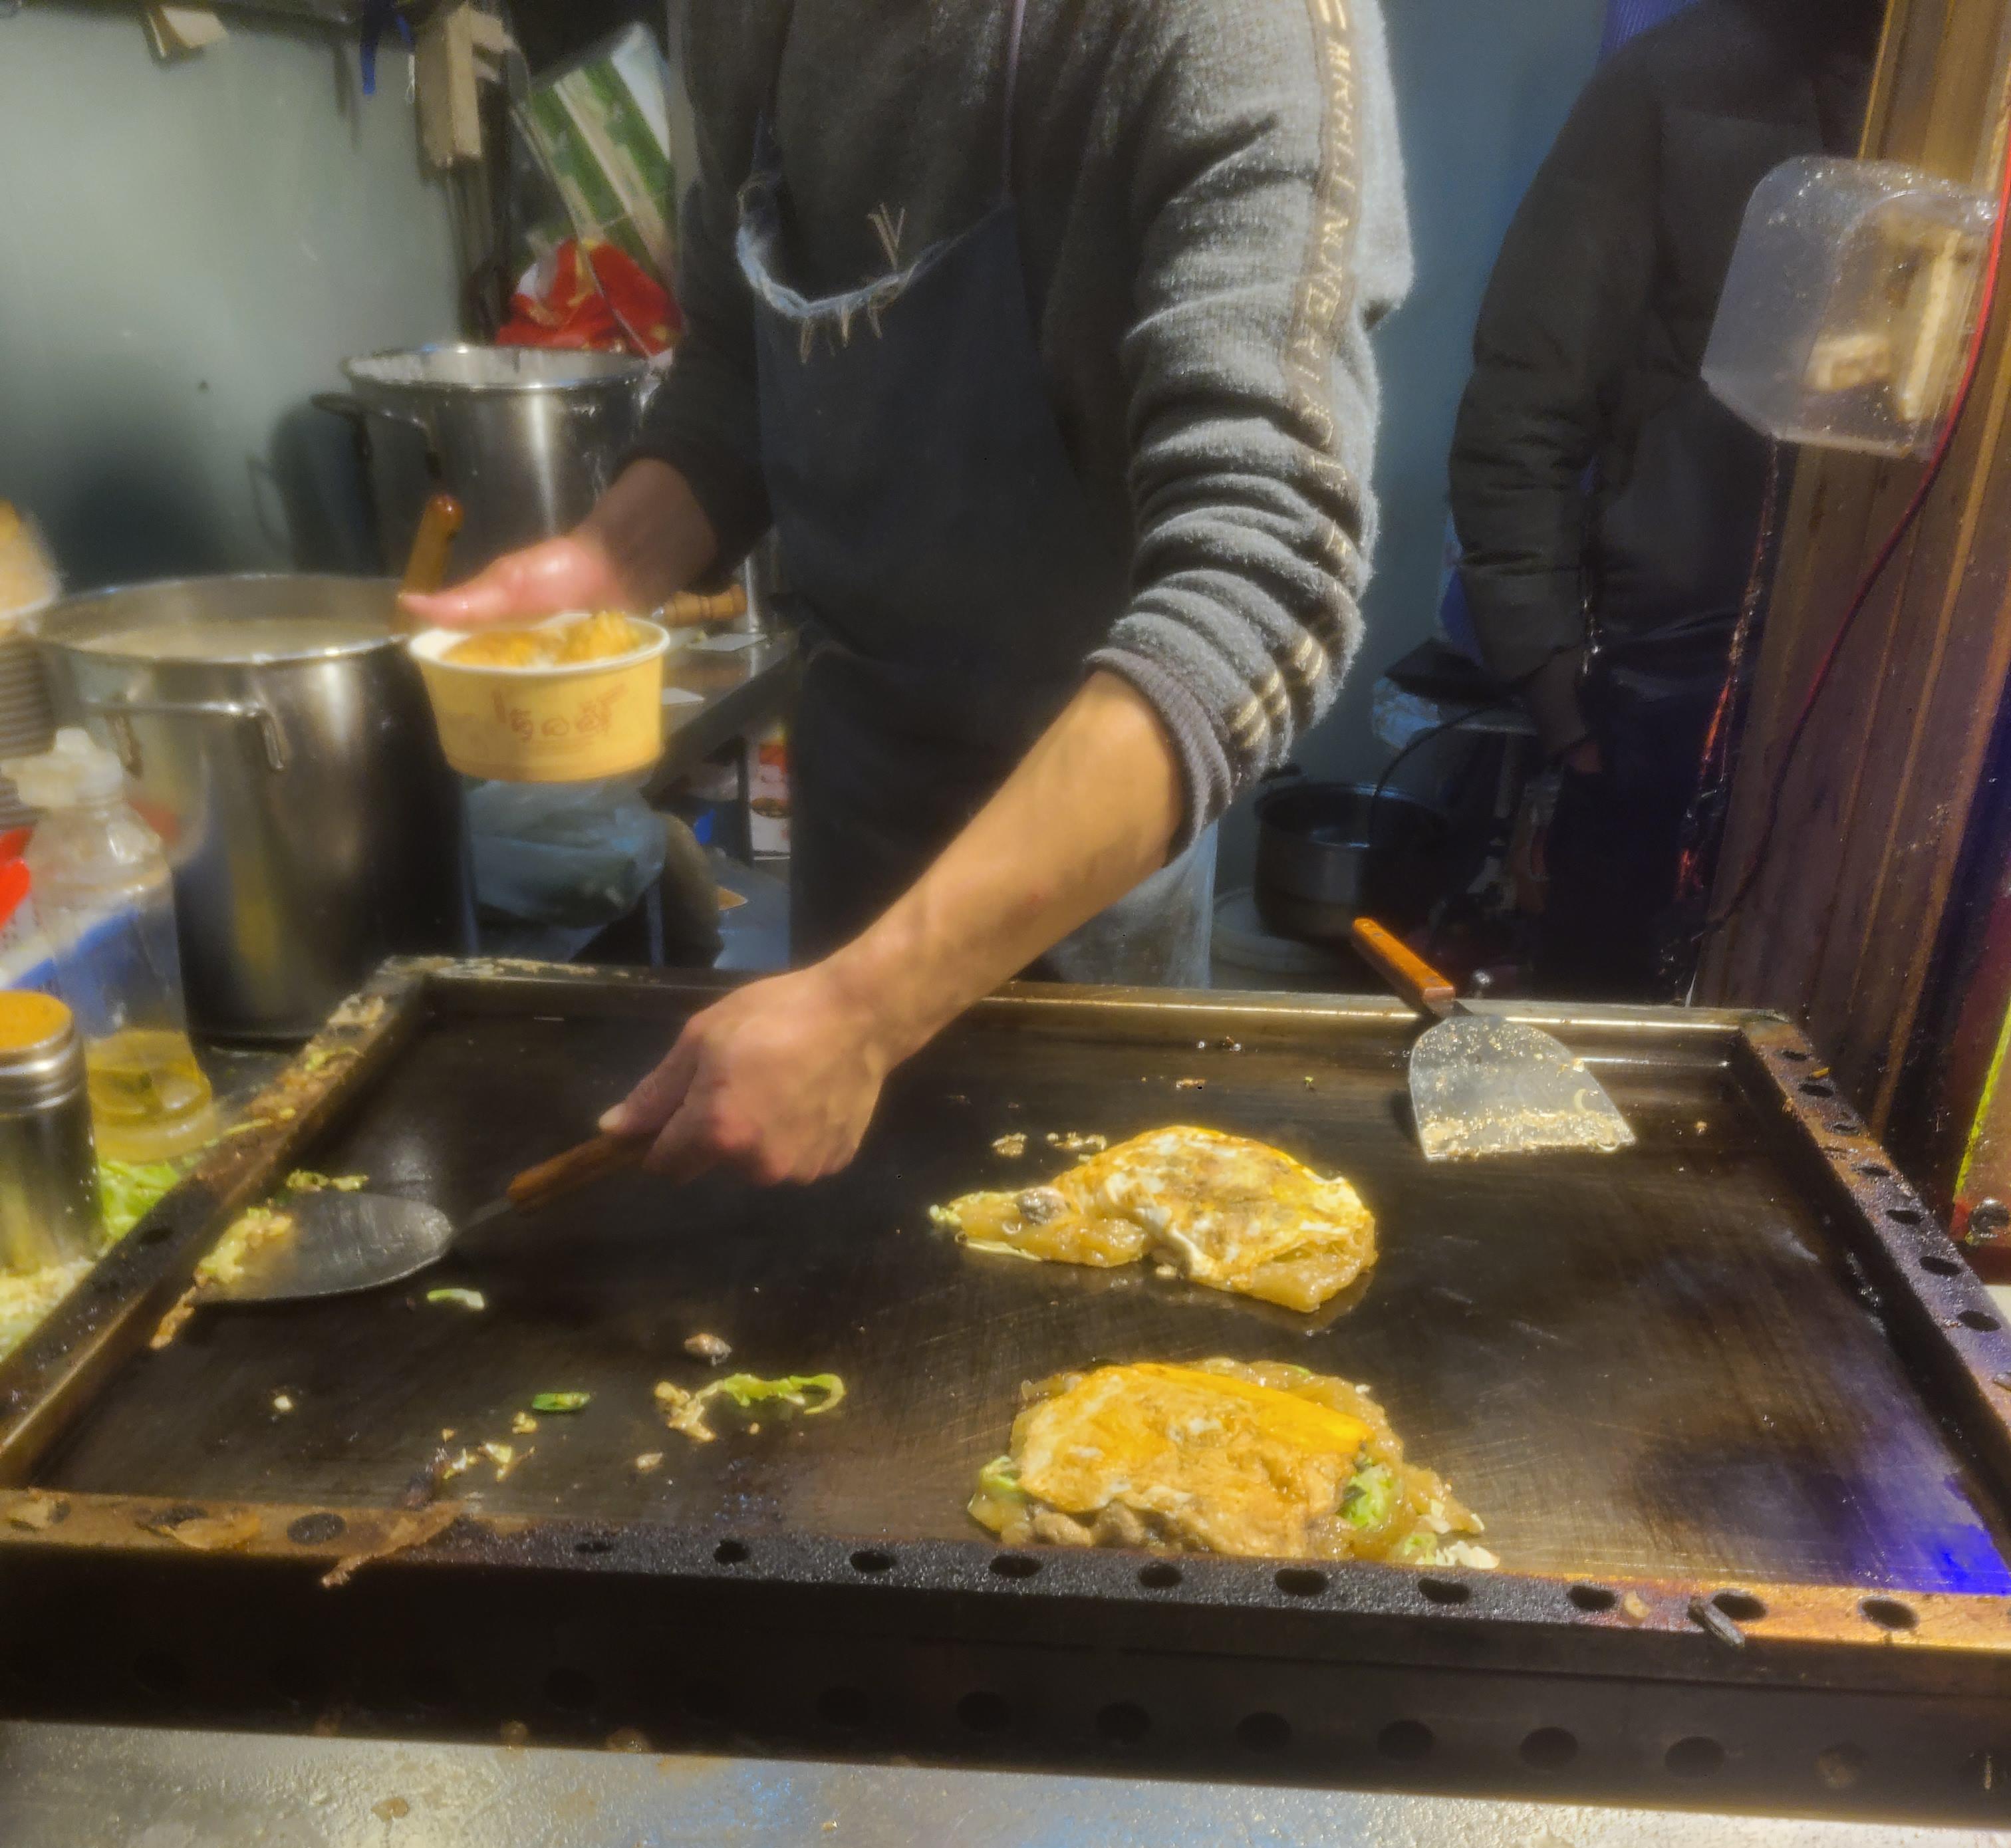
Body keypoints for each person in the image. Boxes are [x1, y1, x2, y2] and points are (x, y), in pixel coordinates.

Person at [414, 0, 1409, 1182]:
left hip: (1091, 857)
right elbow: (736, 368)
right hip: (856, 811)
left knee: (1072, 1241)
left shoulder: (1230, 25)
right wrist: (606, 565)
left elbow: (1266, 579)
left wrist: (869, 1007)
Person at [1446, 0, 1881, 997]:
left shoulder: (1974, 102)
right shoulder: (1672, 80)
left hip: (1889, 704)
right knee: (1608, 1027)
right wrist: (1547, 673)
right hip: (1671, 683)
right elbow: (1528, 388)